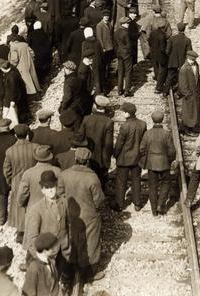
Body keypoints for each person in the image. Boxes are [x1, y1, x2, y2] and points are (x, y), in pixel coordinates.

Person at [59, 147, 105, 285]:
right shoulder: (92, 177)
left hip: (69, 214)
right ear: (87, 162)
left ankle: (68, 270)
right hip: (88, 215)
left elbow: (60, 194)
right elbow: (99, 200)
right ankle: (90, 273)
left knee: (70, 239)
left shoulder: (64, 174)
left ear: (76, 159)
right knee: (91, 241)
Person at [4, 123, 36, 243]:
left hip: (17, 182)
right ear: (27, 134)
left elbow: (6, 170)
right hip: (33, 181)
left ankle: (21, 232)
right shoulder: (35, 147)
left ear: (16, 136)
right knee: (32, 204)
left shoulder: (10, 151)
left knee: (19, 206)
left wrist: (10, 182)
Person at [139, 109, 175, 216]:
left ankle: (154, 211)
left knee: (152, 186)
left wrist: (148, 158)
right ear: (162, 120)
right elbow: (172, 151)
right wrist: (169, 160)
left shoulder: (147, 133)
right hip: (164, 163)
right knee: (166, 183)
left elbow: (141, 149)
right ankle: (160, 204)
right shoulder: (167, 134)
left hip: (152, 164)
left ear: (152, 120)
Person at [113, 102, 146, 211]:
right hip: (137, 158)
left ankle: (119, 204)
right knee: (136, 180)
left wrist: (115, 154)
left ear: (128, 113)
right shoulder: (142, 124)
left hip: (124, 159)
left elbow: (119, 144)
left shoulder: (125, 126)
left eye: (124, 112)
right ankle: (137, 203)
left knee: (121, 182)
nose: (123, 114)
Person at [18, 145, 61, 221]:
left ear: (36, 157)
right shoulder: (58, 171)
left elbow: (22, 195)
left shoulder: (28, 173)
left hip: (33, 211)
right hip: (53, 210)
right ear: (50, 157)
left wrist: (22, 204)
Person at [81, 95, 114, 187]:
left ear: (94, 106)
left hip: (87, 155)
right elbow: (108, 144)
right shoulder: (108, 122)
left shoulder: (86, 119)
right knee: (100, 180)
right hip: (101, 157)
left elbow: (81, 136)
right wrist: (107, 159)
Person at [0, 59, 29, 125]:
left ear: (2, 68)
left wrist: (12, 101)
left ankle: (22, 125)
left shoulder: (10, 77)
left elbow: (13, 89)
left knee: (16, 115)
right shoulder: (13, 71)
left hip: (14, 98)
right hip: (19, 95)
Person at [178, 50, 200, 135]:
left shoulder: (196, 65)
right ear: (188, 58)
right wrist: (187, 94)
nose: (193, 61)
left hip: (195, 93)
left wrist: (198, 91)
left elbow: (197, 79)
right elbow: (182, 85)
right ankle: (187, 129)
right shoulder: (184, 69)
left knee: (194, 111)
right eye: (191, 60)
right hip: (189, 95)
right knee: (188, 112)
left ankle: (193, 126)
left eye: (194, 60)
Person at [164, 22, 192, 94]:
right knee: (181, 78)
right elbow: (189, 53)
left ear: (177, 29)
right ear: (184, 29)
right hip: (182, 62)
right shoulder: (187, 40)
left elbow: (167, 51)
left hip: (172, 61)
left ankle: (165, 92)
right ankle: (179, 93)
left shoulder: (172, 39)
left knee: (169, 77)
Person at [114, 15, 137, 96]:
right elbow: (129, 45)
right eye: (127, 23)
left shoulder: (116, 32)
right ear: (123, 24)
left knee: (120, 72)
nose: (128, 24)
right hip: (126, 54)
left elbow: (115, 44)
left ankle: (119, 90)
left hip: (119, 54)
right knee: (128, 72)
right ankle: (127, 90)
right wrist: (130, 52)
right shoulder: (125, 33)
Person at [81, 26, 105, 94]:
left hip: (90, 63)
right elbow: (102, 53)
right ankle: (100, 91)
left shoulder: (84, 43)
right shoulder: (97, 42)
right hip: (98, 61)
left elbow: (83, 54)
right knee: (98, 77)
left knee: (91, 79)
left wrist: (91, 51)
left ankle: (93, 93)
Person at [96, 10, 114, 89]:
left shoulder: (109, 24)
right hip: (104, 48)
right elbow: (99, 38)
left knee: (108, 64)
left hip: (110, 47)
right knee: (104, 66)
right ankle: (104, 81)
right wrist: (102, 47)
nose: (106, 17)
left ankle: (107, 79)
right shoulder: (99, 25)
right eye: (105, 16)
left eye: (108, 16)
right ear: (102, 16)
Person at [148, 23, 168, 93]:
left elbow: (149, 42)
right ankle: (159, 86)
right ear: (163, 27)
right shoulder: (162, 35)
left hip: (153, 53)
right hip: (161, 55)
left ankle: (157, 78)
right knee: (162, 70)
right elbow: (163, 48)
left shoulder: (152, 33)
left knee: (156, 68)